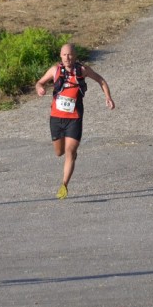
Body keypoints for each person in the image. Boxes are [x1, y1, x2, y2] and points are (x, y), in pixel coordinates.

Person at [35, 44, 115, 199]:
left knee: (70, 151)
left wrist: (108, 97)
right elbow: (39, 82)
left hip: (74, 118)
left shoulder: (82, 70)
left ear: (75, 56)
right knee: (59, 152)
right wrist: (39, 88)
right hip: (56, 118)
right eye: (64, 55)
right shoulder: (54, 70)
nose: (67, 58)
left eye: (70, 55)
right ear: (60, 56)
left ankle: (64, 185)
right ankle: (70, 155)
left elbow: (101, 80)